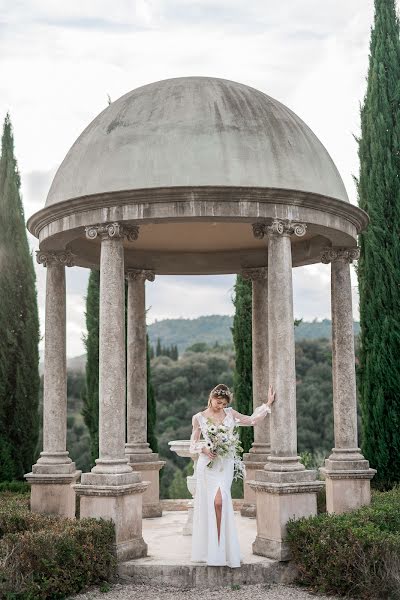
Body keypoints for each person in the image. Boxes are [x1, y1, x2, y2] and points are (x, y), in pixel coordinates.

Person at [189, 383, 276, 568]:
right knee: (211, 504)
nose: (219, 406)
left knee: (220, 502)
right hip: (208, 465)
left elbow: (252, 420)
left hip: (226, 463)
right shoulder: (198, 418)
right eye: (217, 402)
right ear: (211, 397)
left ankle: (224, 550)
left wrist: (267, 405)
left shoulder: (230, 414)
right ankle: (213, 551)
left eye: (223, 403)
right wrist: (203, 448)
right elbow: (193, 444)